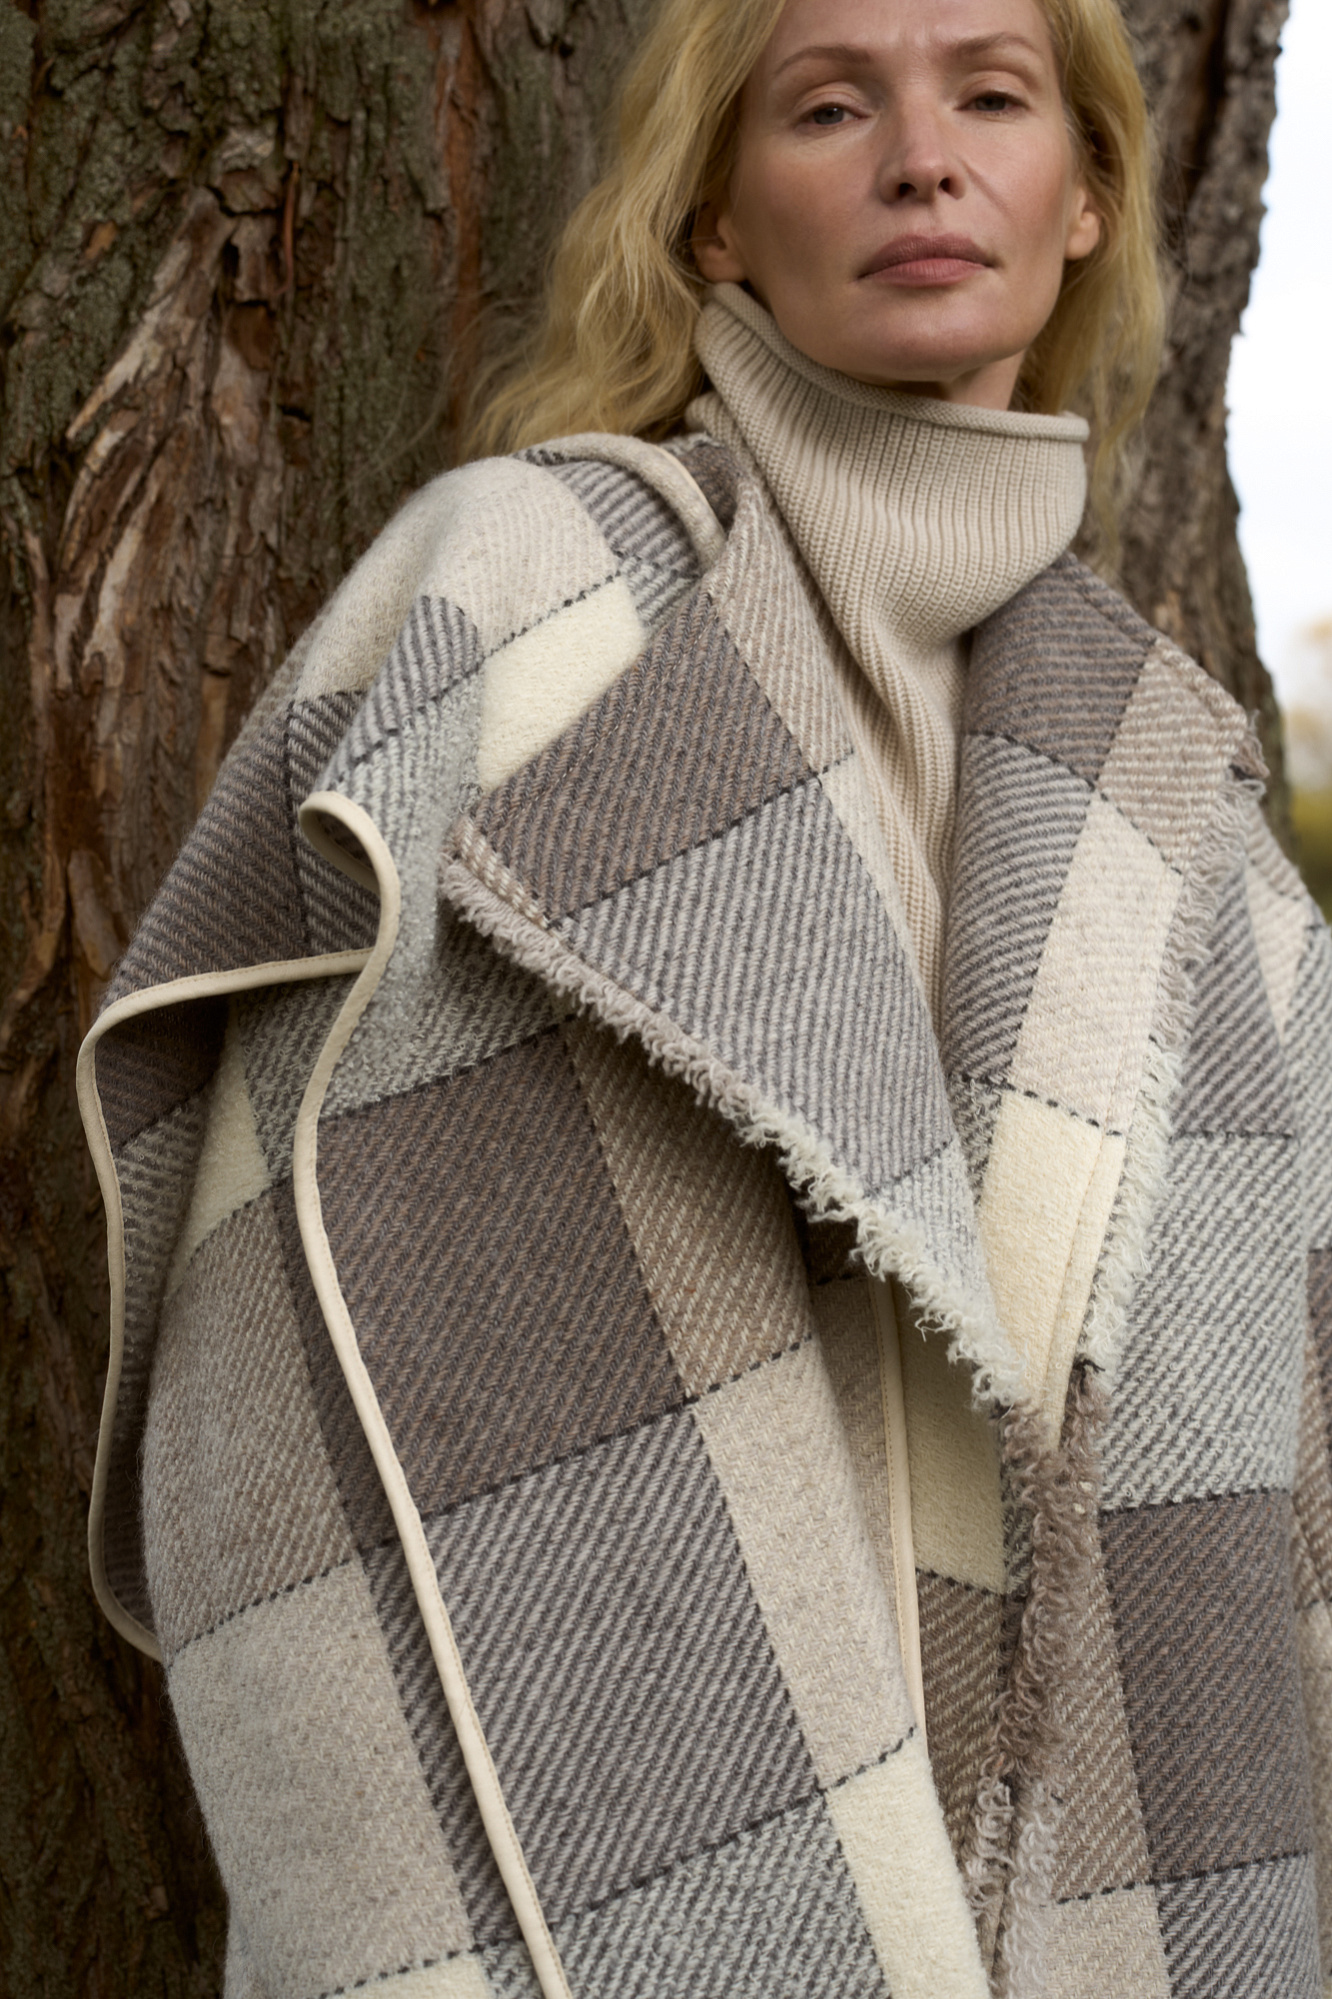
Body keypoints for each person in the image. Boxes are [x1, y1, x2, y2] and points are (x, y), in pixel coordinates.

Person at [78, 0, 1332, 1992]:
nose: (923, 157)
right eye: (830, 107)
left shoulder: (1176, 811)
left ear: (1088, 195)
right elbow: (312, 1322)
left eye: (991, 95)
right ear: (720, 219)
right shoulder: (533, 608)